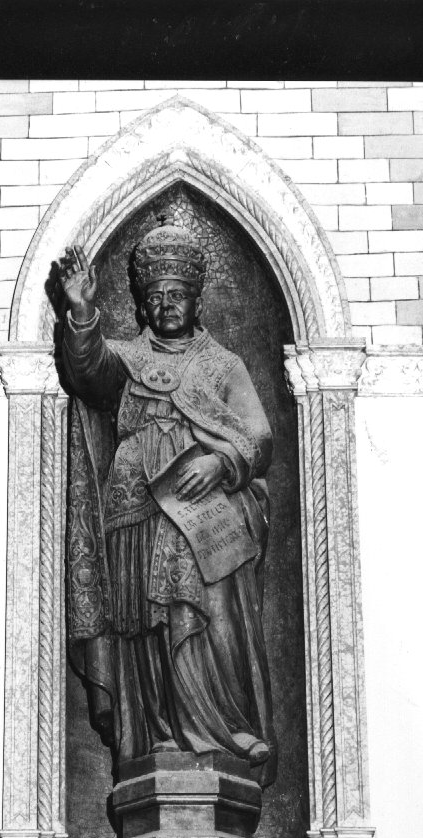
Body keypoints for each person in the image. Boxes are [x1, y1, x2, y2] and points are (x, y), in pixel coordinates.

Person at [59, 221, 277, 786]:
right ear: (142, 303)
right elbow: (89, 373)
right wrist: (82, 311)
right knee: (147, 623)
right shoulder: (128, 358)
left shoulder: (223, 366)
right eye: (155, 297)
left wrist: (220, 463)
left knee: (202, 612)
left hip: (202, 511)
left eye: (176, 295)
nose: (166, 305)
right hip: (135, 509)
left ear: (196, 299)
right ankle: (155, 735)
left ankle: (222, 730)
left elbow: (258, 435)